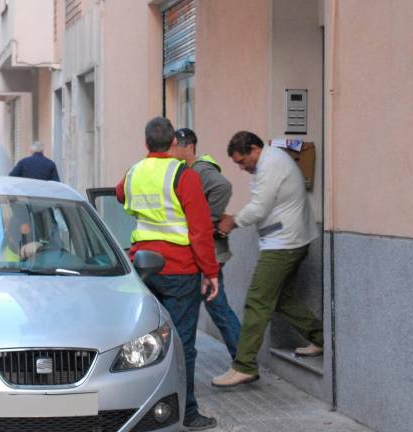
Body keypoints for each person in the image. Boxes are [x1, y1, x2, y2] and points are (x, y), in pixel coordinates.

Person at [116, 117, 220, 431]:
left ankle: (140, 407)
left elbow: (120, 195)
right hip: (180, 270)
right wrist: (210, 271)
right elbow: (200, 229)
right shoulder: (182, 175)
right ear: (174, 142)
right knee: (181, 344)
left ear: (146, 143)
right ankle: (187, 413)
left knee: (141, 341)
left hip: (144, 269)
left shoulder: (134, 172)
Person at [211, 131, 323, 388]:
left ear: (254, 149)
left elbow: (259, 207)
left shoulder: (270, 163)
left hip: (283, 244)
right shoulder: (272, 161)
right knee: (282, 298)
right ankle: (321, 339)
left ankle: (244, 366)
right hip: (290, 239)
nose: (241, 167)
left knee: (257, 301)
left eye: (242, 161)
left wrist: (232, 221)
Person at [169, 128, 242, 359]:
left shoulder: (201, 169)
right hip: (204, 251)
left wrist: (209, 218)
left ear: (188, 146)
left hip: (208, 252)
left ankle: (243, 361)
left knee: (217, 307)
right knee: (215, 307)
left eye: (175, 147)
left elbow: (224, 186)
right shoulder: (188, 170)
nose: (171, 152)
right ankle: (243, 359)